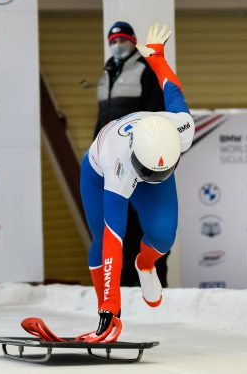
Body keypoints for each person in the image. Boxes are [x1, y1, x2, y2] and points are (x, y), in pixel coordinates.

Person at [80, 24, 194, 340]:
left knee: (163, 235)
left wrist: (157, 57)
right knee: (103, 239)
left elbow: (172, 88)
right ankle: (106, 309)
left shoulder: (183, 127)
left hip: (146, 153)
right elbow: (113, 236)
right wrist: (110, 310)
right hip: (100, 169)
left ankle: (146, 265)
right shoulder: (117, 164)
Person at [95, 21, 169, 288]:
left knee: (148, 226)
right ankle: (124, 289)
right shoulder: (106, 76)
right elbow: (102, 121)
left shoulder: (145, 71)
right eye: (113, 41)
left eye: (123, 40)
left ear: (132, 41)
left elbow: (156, 115)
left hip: (141, 164)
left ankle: (154, 284)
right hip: (113, 166)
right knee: (119, 228)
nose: (117, 45)